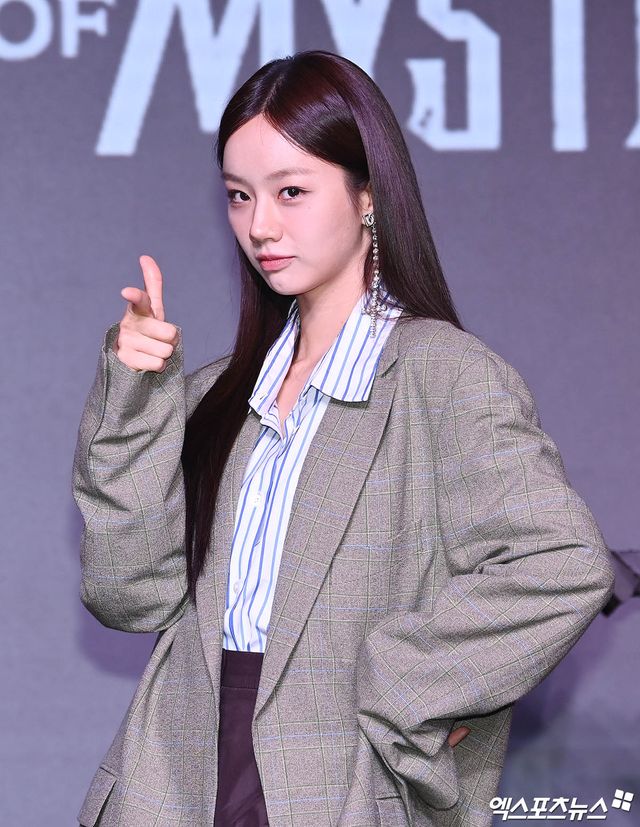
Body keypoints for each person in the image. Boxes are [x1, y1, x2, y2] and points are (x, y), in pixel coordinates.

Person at [72, 50, 614, 827]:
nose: (260, 225)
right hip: (177, 773)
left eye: (291, 192)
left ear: (366, 195)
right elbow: (129, 595)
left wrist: (402, 686)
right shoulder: (219, 394)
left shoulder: (443, 374)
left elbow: (561, 562)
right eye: (239, 195)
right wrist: (135, 396)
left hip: (341, 776)